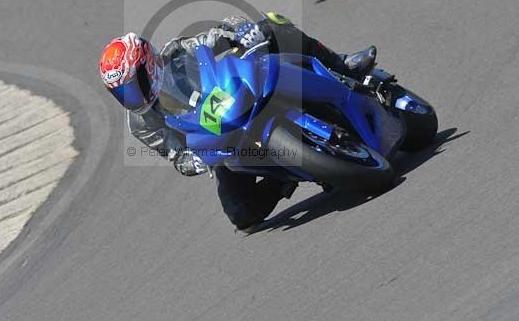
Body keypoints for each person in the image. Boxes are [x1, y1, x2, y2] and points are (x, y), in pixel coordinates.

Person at [100, 13, 378, 230]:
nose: (132, 95)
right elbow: (176, 155)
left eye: (135, 84)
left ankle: (342, 65)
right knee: (241, 215)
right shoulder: (141, 123)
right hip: (222, 140)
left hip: (241, 91)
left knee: (274, 26)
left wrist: (240, 33)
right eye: (122, 92)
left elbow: (214, 37)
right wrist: (192, 161)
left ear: (148, 64)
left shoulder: (177, 53)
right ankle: (286, 177)